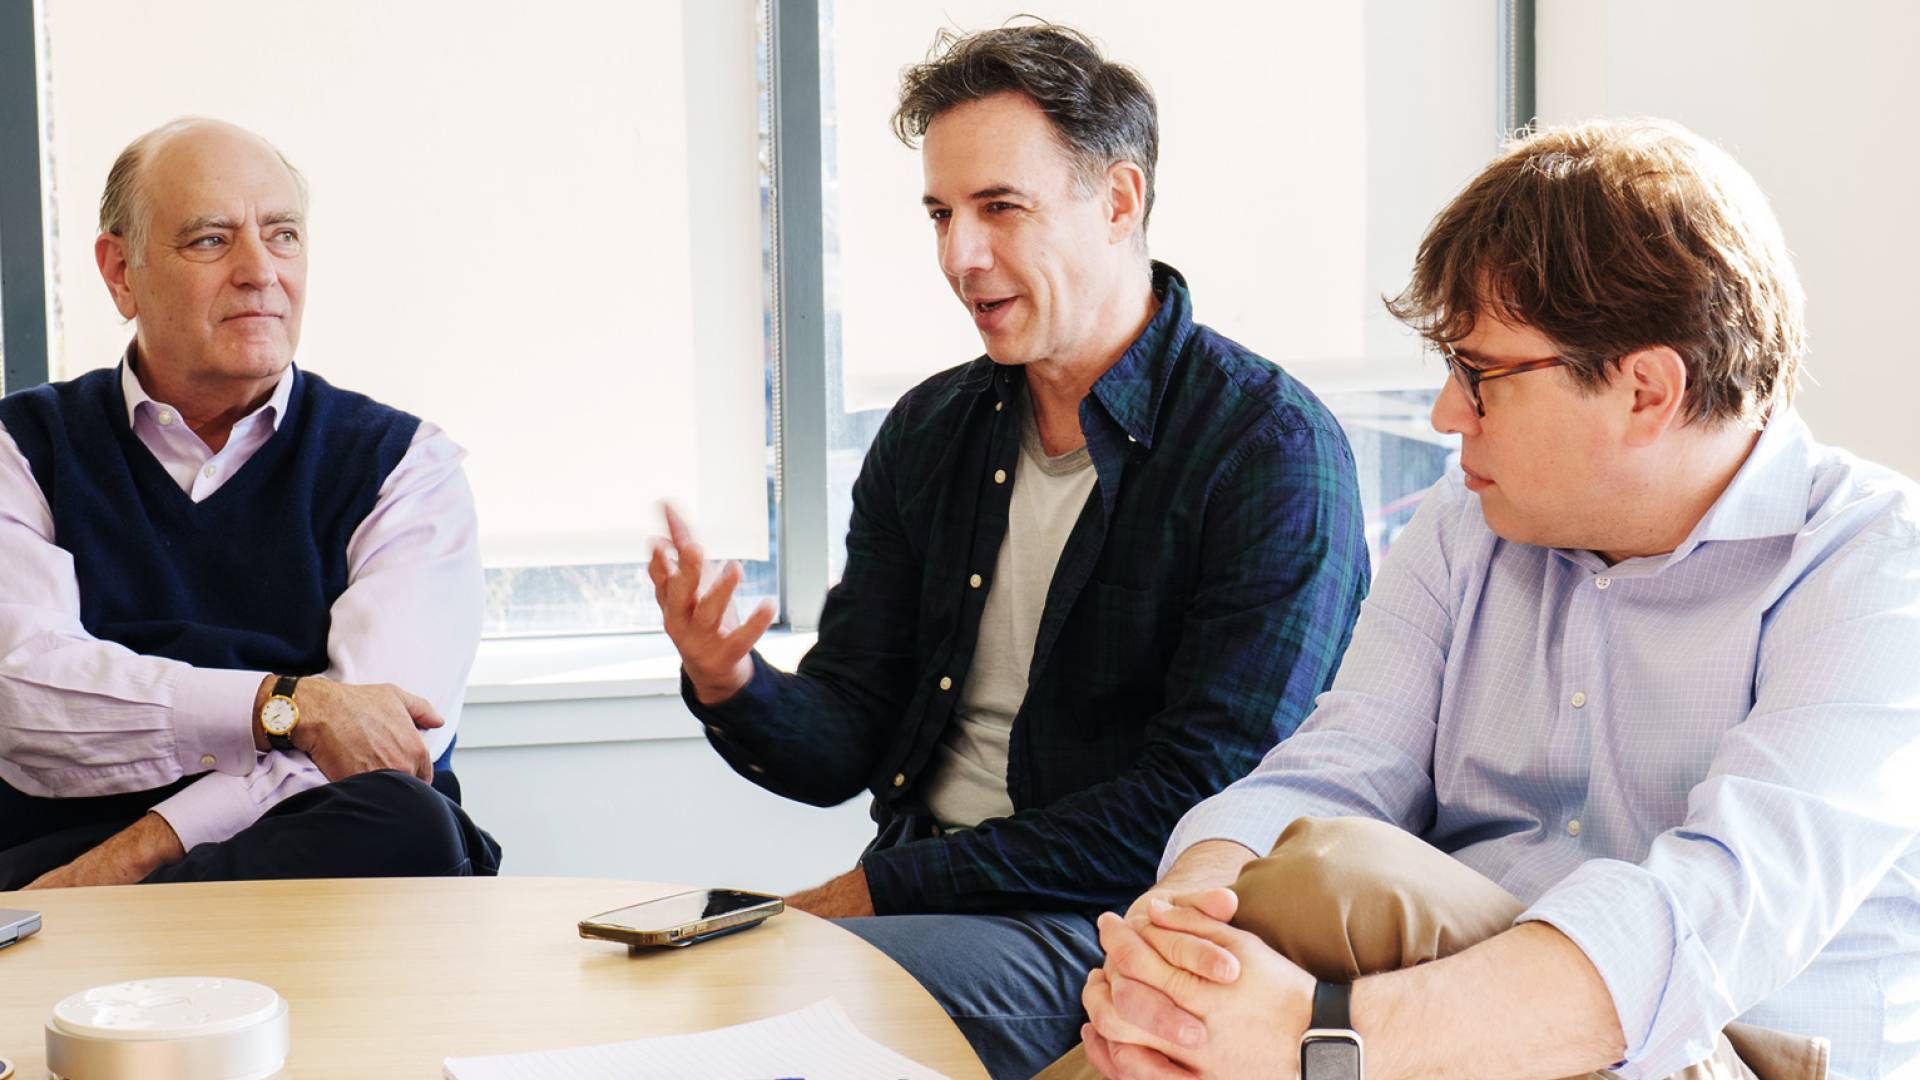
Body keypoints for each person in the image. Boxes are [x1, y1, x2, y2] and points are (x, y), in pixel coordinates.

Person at [1055, 119, 1919, 1080]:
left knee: (1340, 877)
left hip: (1697, 1045)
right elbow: (1338, 764)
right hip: (1440, 1036)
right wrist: (1190, 928)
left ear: (1646, 390)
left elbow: (1703, 917)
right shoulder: (1470, 520)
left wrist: (1317, 1038)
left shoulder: (1876, 569)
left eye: (1483, 373)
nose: (1444, 413)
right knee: (1233, 943)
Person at [649, 22, 1368, 1080]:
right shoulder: (932, 432)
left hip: (1115, 931)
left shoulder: (1270, 447)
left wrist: (878, 892)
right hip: (926, 897)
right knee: (670, 990)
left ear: (1119, 200)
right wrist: (729, 681)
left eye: (1001, 208)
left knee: (762, 1009)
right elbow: (848, 735)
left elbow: (1205, 802)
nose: (959, 256)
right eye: (942, 213)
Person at [0, 118, 499, 891]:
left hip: (295, 845)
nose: (260, 271)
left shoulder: (407, 466)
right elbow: (27, 698)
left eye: (284, 235)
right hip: (61, 835)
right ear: (120, 271)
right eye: (210, 240)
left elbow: (381, 746)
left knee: (406, 821)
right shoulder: (19, 449)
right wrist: (288, 706)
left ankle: (116, 938)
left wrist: (134, 857)